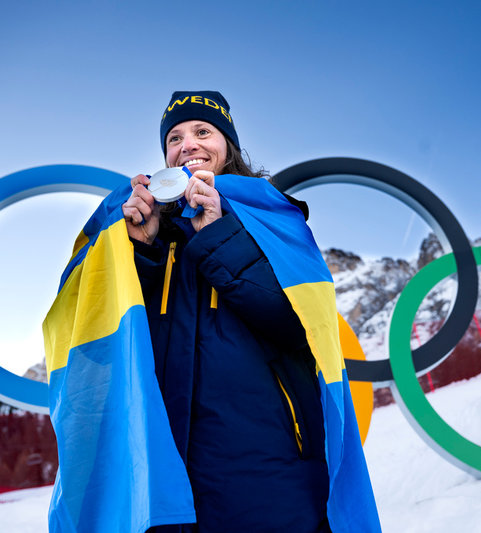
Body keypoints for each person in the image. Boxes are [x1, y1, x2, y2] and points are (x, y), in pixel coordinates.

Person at [121, 91, 331, 532]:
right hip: (172, 469)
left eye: (203, 132)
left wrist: (218, 234)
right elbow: (128, 343)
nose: (189, 144)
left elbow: (297, 326)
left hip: (270, 465)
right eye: (174, 139)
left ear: (228, 146)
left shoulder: (270, 216)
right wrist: (141, 253)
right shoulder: (154, 236)